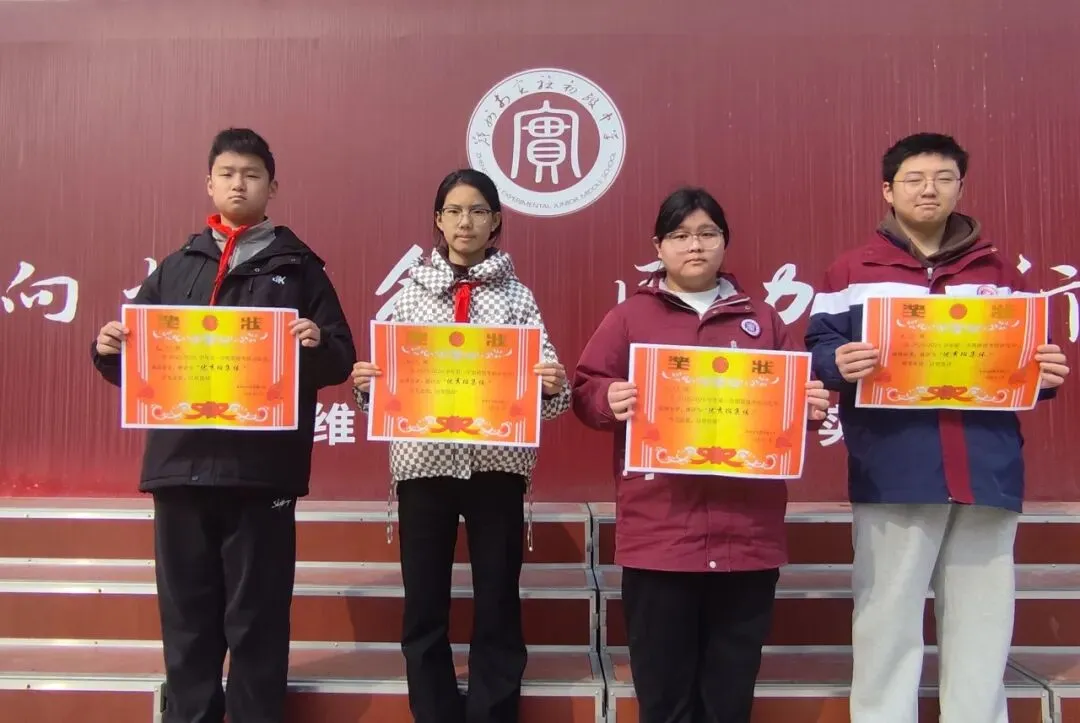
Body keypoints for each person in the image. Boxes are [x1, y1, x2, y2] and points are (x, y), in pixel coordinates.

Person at [804, 132, 1070, 723]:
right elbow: (817, 352)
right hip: (894, 468)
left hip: (986, 469)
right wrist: (837, 362)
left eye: (943, 178)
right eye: (915, 179)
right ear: (888, 190)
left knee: (982, 621)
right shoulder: (852, 271)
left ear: (960, 187)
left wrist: (1046, 372)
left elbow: (1031, 362)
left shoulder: (999, 273)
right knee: (886, 617)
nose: (929, 190)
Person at [91, 128, 356, 723]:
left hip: (262, 473)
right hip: (180, 467)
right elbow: (138, 361)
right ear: (209, 183)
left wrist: (315, 344)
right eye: (228, 174)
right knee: (186, 619)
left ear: (272, 187)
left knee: (257, 618)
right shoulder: (176, 267)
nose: (240, 184)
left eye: (252, 175)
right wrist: (109, 349)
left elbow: (341, 357)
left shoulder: (301, 270)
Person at [571, 187, 830, 723]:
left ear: (724, 242)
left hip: (747, 538)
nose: (695, 246)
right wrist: (606, 397)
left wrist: (809, 406)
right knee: (665, 698)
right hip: (661, 536)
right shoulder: (628, 318)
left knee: (729, 698)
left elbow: (798, 397)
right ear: (658, 247)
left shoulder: (763, 320)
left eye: (707, 234)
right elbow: (586, 388)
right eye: (680, 235)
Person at [351, 168, 571, 723]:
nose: (464, 222)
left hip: (497, 466)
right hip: (423, 466)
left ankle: (493, 711)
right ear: (438, 220)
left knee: (497, 598)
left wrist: (551, 384)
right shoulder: (409, 294)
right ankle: (434, 711)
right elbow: (385, 390)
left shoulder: (518, 297)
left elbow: (552, 398)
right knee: (424, 602)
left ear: (495, 221)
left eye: (477, 211)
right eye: (453, 211)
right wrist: (367, 385)